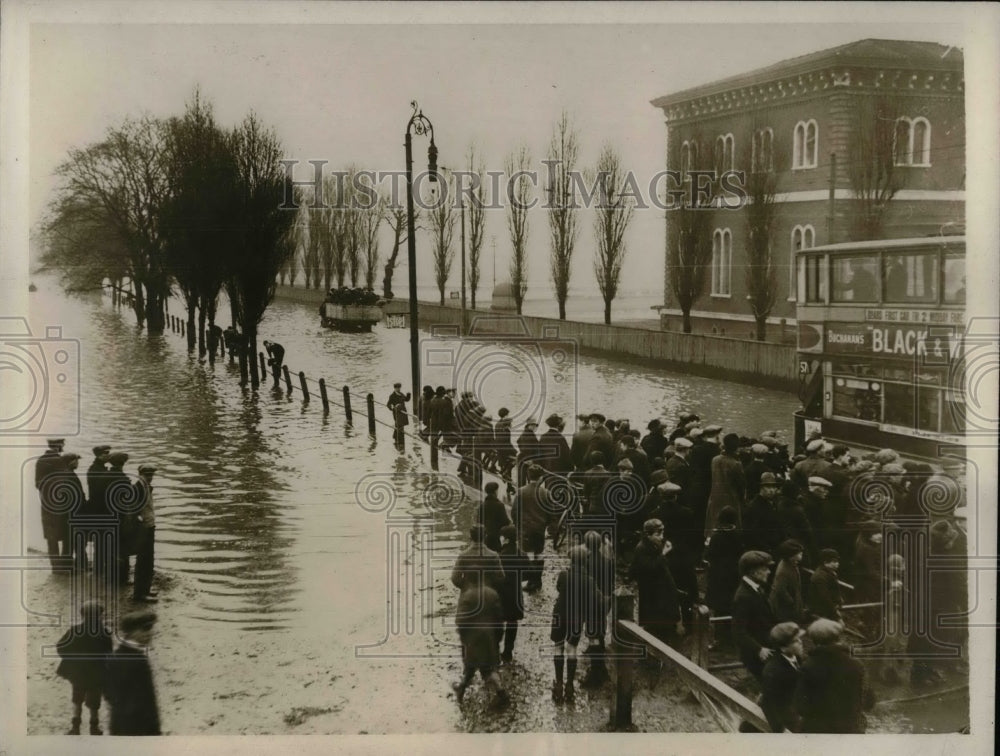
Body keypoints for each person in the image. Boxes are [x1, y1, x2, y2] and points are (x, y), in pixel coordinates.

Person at [795, 618, 875, 733]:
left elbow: (800, 707)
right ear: (838, 638)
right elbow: (869, 701)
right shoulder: (856, 664)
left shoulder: (807, 667)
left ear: (813, 640)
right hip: (849, 730)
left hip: (817, 731)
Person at [550, 546, 603, 703]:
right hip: (577, 617)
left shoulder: (564, 575)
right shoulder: (590, 580)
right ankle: (569, 686)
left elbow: (559, 588)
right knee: (571, 647)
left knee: (558, 646)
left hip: (560, 613)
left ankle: (558, 684)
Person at [56, 600, 112, 735]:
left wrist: (71, 659)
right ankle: (94, 727)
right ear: (99, 617)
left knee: (77, 699)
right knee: (94, 703)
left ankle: (75, 727)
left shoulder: (75, 630)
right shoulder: (104, 633)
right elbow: (108, 653)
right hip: (96, 674)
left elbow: (61, 646)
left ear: (83, 616)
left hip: (78, 673)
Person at [452, 581, 510, 708]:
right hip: (489, 639)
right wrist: (498, 637)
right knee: (489, 668)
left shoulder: (467, 596)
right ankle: (501, 693)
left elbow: (461, 620)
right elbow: (499, 618)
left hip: (473, 640)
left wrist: (463, 638)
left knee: (470, 667)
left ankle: (461, 688)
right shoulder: (492, 593)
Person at [628, 519, 684, 647]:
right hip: (652, 594)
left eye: (662, 533)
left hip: (659, 592)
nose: (662, 537)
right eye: (658, 534)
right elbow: (650, 567)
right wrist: (664, 553)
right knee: (656, 627)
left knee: (664, 625)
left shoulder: (653, 544)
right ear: (648, 534)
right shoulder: (641, 548)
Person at [105, 609, 162, 736]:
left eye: (150, 628)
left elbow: (108, 693)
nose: (150, 633)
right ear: (130, 633)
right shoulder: (139, 660)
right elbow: (148, 700)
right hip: (139, 728)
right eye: (145, 629)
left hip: (118, 724)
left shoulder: (115, 657)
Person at [731, 550, 777, 680]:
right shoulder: (743, 597)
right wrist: (758, 649)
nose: (769, 572)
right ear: (753, 571)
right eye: (765, 568)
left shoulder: (756, 588)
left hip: (766, 647)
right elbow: (738, 631)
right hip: (758, 654)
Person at [760, 622, 805, 733]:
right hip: (786, 717)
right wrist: (780, 729)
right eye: (795, 641)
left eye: (800, 638)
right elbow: (768, 703)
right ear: (783, 648)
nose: (801, 642)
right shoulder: (774, 670)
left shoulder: (797, 658)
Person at [512, 465, 548, 592]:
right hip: (539, 529)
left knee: (527, 555)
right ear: (541, 478)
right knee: (539, 554)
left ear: (528, 476)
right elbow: (551, 512)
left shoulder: (521, 491)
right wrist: (545, 525)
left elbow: (514, 511)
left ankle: (530, 581)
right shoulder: (545, 493)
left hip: (525, 529)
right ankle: (537, 581)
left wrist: (518, 526)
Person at [705, 433, 747, 539]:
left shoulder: (714, 460)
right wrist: (743, 500)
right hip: (731, 499)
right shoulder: (736, 464)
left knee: (714, 525)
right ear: (736, 447)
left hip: (715, 498)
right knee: (732, 527)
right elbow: (741, 486)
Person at [36, 438, 69, 571]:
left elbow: (37, 484)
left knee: (51, 537)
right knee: (66, 533)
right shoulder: (60, 461)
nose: (63, 447)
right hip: (60, 504)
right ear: (59, 446)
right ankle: (65, 565)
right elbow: (66, 483)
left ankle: (55, 567)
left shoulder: (40, 460)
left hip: (46, 504)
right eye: (62, 445)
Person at [704, 506, 743, 619]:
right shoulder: (738, 535)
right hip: (734, 572)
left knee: (720, 605)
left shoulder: (716, 536)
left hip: (718, 573)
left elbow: (709, 555)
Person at [105, 451, 134, 586]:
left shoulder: (106, 476)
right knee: (123, 547)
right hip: (121, 517)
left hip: (108, 516)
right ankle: (122, 578)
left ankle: (111, 575)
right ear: (122, 464)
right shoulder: (122, 478)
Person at [497, 525, 525, 664]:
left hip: (501, 594)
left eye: (501, 536)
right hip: (515, 594)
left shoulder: (500, 557)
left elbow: (495, 576)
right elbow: (530, 572)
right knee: (512, 622)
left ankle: (496, 650)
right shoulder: (521, 553)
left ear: (506, 540)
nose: (500, 539)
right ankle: (508, 651)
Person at [131, 464, 159, 603]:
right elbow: (132, 509)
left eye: (151, 475)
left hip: (149, 525)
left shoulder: (145, 486)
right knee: (143, 560)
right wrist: (139, 522)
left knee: (148, 560)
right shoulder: (138, 487)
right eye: (147, 475)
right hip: (144, 528)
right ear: (141, 474)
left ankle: (145, 589)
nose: (150, 478)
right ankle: (140, 593)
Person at [450, 525, 505, 594]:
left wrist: (466, 587)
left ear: (470, 537)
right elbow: (501, 577)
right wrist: (491, 585)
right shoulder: (493, 555)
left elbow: (455, 578)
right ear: (485, 537)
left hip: (468, 594)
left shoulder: (463, 555)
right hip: (488, 594)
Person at [59, 452, 90, 572]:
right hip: (75, 516)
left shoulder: (65, 475)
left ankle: (65, 568)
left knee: (68, 543)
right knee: (79, 543)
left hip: (68, 516)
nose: (78, 462)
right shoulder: (69, 476)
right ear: (70, 462)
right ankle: (81, 567)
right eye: (76, 460)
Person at [743, 472, 784, 555]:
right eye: (768, 487)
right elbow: (752, 534)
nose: (771, 490)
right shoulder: (754, 507)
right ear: (761, 488)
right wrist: (768, 550)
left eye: (773, 487)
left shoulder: (774, 504)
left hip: (774, 549)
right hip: (762, 552)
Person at [769, 539, 806, 624]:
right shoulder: (783, 570)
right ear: (791, 555)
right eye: (799, 553)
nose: (801, 554)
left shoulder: (792, 563)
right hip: (784, 604)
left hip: (793, 597)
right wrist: (792, 603)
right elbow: (780, 590)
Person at [807, 548, 842, 621]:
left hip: (828, 609)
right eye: (834, 561)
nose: (837, 563)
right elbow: (825, 597)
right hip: (821, 612)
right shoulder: (820, 577)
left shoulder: (830, 573)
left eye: (837, 561)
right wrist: (835, 614)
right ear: (825, 562)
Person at [479, 481, 511, 554]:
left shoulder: (482, 506)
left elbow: (479, 521)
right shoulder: (499, 505)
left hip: (486, 536)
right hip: (496, 536)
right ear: (495, 491)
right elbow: (505, 521)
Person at [386, 382, 411, 448]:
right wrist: (392, 408)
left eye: (399, 387)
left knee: (400, 425)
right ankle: (399, 440)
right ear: (395, 388)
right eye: (397, 388)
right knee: (399, 424)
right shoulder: (392, 396)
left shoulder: (401, 394)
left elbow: (406, 400)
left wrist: (408, 395)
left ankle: (396, 437)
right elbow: (388, 404)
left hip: (402, 412)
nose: (398, 389)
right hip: (397, 412)